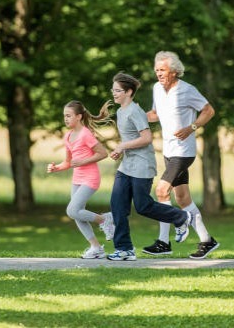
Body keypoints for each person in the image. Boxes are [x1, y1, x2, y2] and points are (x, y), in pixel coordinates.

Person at [106, 72, 193, 261]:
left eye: (118, 90)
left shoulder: (134, 111)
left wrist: (121, 146)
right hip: (127, 165)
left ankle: (181, 217)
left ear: (129, 92)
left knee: (143, 206)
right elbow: (131, 139)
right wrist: (121, 150)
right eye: (113, 90)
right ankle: (124, 249)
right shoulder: (121, 111)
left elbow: (146, 138)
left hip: (142, 166)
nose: (114, 94)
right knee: (117, 205)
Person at [143, 51, 220, 259]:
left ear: (175, 72)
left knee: (161, 190)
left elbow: (209, 110)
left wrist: (192, 127)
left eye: (163, 70)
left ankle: (164, 241)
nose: (159, 74)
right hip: (169, 150)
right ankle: (207, 240)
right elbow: (155, 114)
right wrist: (132, 115)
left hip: (183, 151)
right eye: (157, 70)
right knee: (183, 198)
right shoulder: (157, 89)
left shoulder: (187, 90)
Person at [47, 100, 116, 259]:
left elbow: (102, 153)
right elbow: (68, 162)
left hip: (90, 178)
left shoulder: (86, 134)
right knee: (77, 213)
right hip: (77, 178)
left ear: (78, 117)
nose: (65, 119)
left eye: (69, 116)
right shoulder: (68, 136)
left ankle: (104, 220)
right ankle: (96, 247)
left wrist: (83, 162)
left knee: (72, 210)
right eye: (64, 116)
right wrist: (56, 167)